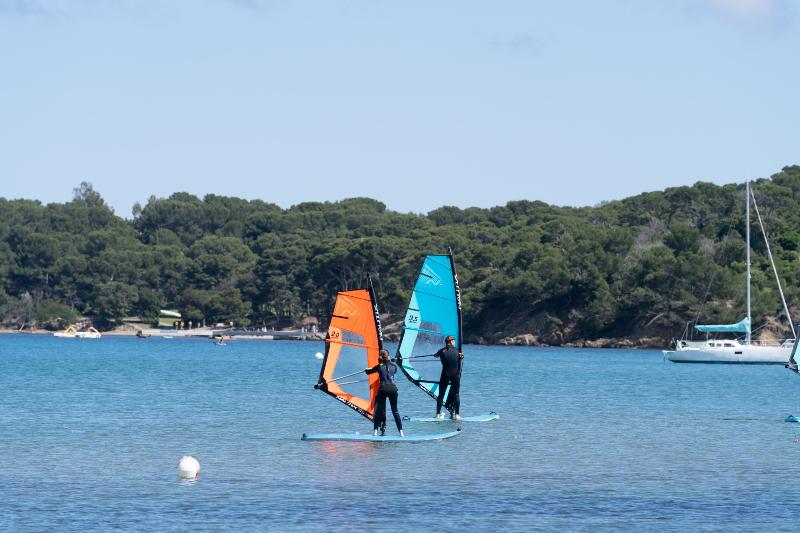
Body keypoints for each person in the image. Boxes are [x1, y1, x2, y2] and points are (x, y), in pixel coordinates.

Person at [365, 349, 404, 437]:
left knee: (378, 410)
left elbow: (369, 372)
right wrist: (390, 362)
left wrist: (366, 370)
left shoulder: (379, 366)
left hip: (383, 389)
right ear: (388, 356)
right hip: (393, 389)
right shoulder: (394, 366)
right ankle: (401, 433)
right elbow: (391, 370)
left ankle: (375, 432)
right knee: (395, 411)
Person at [433, 335, 464, 420]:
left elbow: (435, 355)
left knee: (441, 395)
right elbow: (461, 360)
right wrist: (461, 355)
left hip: (445, 375)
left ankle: (438, 414)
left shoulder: (441, 351)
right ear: (451, 342)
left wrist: (434, 354)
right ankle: (457, 415)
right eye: (454, 341)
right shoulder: (458, 351)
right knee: (456, 394)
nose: (454, 342)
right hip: (455, 375)